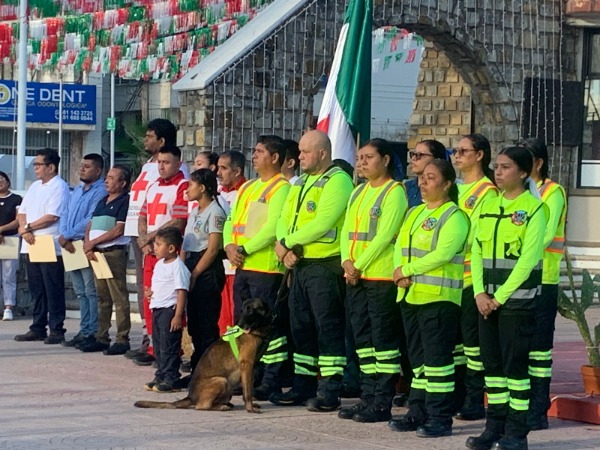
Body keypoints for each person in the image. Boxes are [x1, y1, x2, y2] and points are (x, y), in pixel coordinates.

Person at [466, 146, 547, 450]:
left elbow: (528, 261)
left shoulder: (535, 209)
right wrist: (479, 292)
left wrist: (498, 298)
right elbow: (476, 249)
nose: (498, 172)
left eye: (506, 167)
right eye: (497, 167)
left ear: (523, 173)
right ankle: (494, 428)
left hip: (516, 303)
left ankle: (516, 433)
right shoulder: (488, 205)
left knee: (515, 370)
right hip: (486, 301)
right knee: (493, 368)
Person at [271, 130, 354, 412]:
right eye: (300, 152)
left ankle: (330, 389)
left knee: (327, 326)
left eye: (305, 152)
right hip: (301, 264)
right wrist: (285, 246)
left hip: (325, 265)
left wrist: (288, 243)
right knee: (301, 326)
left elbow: (323, 222)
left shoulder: (338, 180)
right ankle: (303, 384)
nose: (300, 157)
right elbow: (284, 218)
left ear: (322, 153)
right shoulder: (301, 182)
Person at [389, 159, 469, 438]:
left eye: (431, 178)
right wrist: (399, 271)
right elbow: (400, 245)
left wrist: (407, 270)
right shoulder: (415, 212)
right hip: (410, 296)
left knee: (438, 363)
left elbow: (443, 254)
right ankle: (417, 411)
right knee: (418, 362)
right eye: (422, 177)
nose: (423, 182)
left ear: (447, 184)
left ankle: (439, 417)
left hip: (438, 299)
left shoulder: (454, 216)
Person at [338, 138, 408, 423]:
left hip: (380, 277)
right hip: (355, 277)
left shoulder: (395, 192)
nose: (362, 163)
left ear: (386, 160)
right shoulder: (358, 191)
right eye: (360, 157)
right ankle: (367, 396)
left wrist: (358, 265)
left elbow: (385, 236)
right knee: (363, 341)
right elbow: (347, 231)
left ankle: (382, 401)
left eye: (369, 157)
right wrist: (346, 261)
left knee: (383, 341)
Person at [223, 135, 291, 400]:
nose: (254, 156)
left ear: (275, 158)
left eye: (260, 151)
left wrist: (244, 249)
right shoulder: (248, 187)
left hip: (266, 269)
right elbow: (231, 220)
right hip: (242, 266)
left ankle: (271, 379)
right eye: (254, 151)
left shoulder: (281, 188)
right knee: (243, 324)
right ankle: (246, 375)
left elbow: (273, 227)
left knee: (268, 327)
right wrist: (229, 246)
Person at [124, 119, 188, 364]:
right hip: (150, 249)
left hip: (169, 250)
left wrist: (151, 237)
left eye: (166, 163)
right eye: (159, 163)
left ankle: (171, 351)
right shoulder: (152, 184)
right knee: (150, 296)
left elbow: (178, 220)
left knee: (169, 299)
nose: (161, 167)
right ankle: (153, 346)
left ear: (178, 164)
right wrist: (144, 239)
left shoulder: (182, 185)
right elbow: (143, 214)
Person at [518, 138, 567, 431]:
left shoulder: (552, 192)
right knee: (520, 348)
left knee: (538, 350)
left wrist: (517, 251)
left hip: (543, 279)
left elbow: (545, 235)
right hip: (517, 280)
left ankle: (538, 408)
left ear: (538, 163)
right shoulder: (517, 194)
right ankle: (520, 406)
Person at [451, 134, 498, 421]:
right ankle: (457, 395)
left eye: (463, 151)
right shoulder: (455, 187)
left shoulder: (486, 192)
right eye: (455, 151)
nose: (456, 155)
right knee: (456, 345)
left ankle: (473, 399)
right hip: (449, 279)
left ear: (479, 155)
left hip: (470, 278)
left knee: (472, 345)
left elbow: (475, 236)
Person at [14, 148, 70, 344]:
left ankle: (57, 329)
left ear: (51, 167)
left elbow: (52, 216)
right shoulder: (35, 186)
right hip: (30, 242)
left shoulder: (59, 186)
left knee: (52, 288)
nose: (35, 168)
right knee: (36, 288)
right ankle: (38, 327)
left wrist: (28, 227)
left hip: (49, 242)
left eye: (39, 164)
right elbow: (22, 212)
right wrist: (24, 229)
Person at [81, 165, 132, 355]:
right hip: (97, 253)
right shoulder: (103, 200)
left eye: (111, 178)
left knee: (119, 296)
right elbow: (91, 224)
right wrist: (88, 244)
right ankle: (101, 336)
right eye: (107, 177)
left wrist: (93, 242)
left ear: (122, 183)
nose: (106, 181)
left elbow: (119, 229)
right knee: (102, 297)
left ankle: (122, 338)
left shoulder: (125, 201)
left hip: (113, 253)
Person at [59, 154, 107, 349]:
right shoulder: (78, 190)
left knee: (90, 291)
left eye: (87, 166)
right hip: (70, 245)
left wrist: (68, 234)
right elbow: (65, 212)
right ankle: (84, 329)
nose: (82, 169)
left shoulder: (101, 190)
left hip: (84, 244)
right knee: (80, 291)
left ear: (98, 170)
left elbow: (91, 218)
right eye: (82, 166)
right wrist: (63, 235)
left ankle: (92, 331)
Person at [182, 169, 227, 371]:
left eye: (191, 185)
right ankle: (197, 367)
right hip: (192, 263)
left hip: (206, 270)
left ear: (202, 188)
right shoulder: (195, 212)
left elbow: (213, 249)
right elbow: (186, 244)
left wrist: (195, 275)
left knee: (206, 323)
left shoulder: (215, 212)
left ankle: (210, 370)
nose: (187, 189)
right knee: (194, 324)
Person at [143, 227, 190, 393]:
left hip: (170, 310)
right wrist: (150, 293)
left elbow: (181, 291)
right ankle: (161, 374)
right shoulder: (159, 264)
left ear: (171, 248)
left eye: (158, 244)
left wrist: (178, 315)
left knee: (169, 345)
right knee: (158, 344)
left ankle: (171, 377)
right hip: (157, 308)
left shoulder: (178, 266)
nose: (154, 247)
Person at [216, 150, 246, 334]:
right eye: (218, 168)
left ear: (237, 171)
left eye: (224, 168)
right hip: (220, 262)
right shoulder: (218, 193)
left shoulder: (245, 193)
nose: (218, 173)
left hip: (237, 263)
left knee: (233, 316)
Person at [0, 171, 22, 321]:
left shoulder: (16, 198)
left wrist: (1, 229)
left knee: (8, 274)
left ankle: (8, 307)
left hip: (10, 239)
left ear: (8, 181)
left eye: (2, 179)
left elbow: (18, 220)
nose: (0, 181)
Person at [404, 139, 447, 207]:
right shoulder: (405, 187)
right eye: (413, 154)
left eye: (419, 155)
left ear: (436, 159)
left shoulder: (443, 188)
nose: (413, 158)